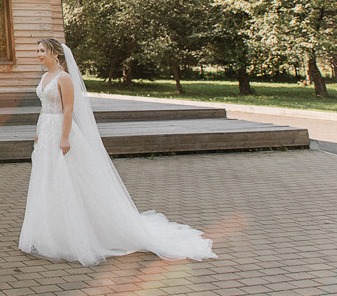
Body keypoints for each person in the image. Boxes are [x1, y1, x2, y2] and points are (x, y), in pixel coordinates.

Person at [18, 38, 217, 267]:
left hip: (61, 132)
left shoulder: (64, 78)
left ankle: (79, 233)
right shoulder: (45, 78)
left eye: (42, 51)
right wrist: (38, 130)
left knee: (67, 179)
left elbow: (69, 109)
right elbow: (45, 105)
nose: (38, 54)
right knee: (47, 179)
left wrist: (64, 137)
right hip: (45, 132)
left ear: (55, 53)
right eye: (37, 51)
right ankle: (50, 230)